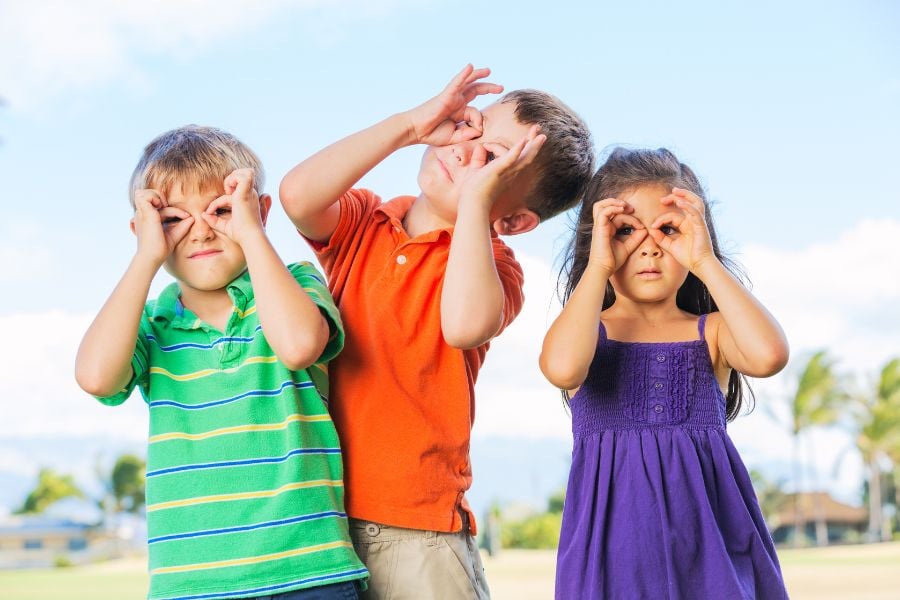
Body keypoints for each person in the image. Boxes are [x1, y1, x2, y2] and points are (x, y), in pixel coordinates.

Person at [279, 65, 594, 598]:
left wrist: (474, 202)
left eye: (493, 159)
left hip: (418, 531)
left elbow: (465, 323)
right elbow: (296, 196)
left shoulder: (494, 265)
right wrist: (410, 125)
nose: (466, 149)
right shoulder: (363, 222)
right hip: (321, 522)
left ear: (514, 221)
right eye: (472, 127)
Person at [74, 125, 367, 600]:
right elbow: (94, 376)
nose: (202, 229)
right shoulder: (150, 323)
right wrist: (146, 258)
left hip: (309, 570)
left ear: (259, 211)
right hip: (191, 583)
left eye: (222, 210)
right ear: (144, 230)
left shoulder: (294, 284)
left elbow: (297, 346)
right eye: (173, 219)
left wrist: (249, 234)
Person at [540, 147, 790, 599]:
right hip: (611, 560)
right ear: (598, 239)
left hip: (711, 557)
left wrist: (705, 262)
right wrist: (599, 266)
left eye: (669, 229)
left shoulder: (711, 332)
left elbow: (769, 355)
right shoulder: (587, 333)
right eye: (626, 231)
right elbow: (560, 368)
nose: (650, 246)